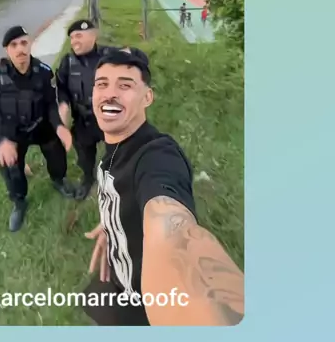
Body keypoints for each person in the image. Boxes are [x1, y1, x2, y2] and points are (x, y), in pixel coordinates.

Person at [83, 49, 244, 326]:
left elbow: (172, 229)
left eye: (125, 85)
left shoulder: (156, 154)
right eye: (102, 84)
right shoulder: (115, 147)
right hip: (119, 285)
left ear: (147, 97)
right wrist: (112, 222)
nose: (110, 94)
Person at [0, 25, 75, 232]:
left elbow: (50, 104)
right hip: (11, 134)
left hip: (40, 125)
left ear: (30, 44)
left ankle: (58, 180)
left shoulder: (44, 72)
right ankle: (19, 202)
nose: (20, 49)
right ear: (7, 50)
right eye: (14, 45)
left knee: (56, 151)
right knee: (10, 168)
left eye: (24, 43)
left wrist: (59, 126)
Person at [56, 19, 114, 200]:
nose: (74, 41)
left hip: (108, 117)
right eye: (72, 38)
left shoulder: (110, 56)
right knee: (84, 154)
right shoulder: (68, 62)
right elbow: (61, 88)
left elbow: (138, 64)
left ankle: (114, 176)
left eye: (79, 36)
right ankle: (88, 178)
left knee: (116, 150)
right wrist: (63, 107)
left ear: (93, 35)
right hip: (83, 119)